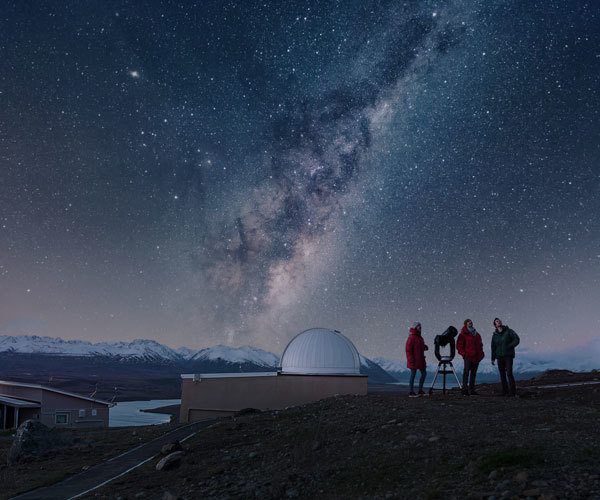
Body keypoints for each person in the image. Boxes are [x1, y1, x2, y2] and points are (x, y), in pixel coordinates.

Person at [491, 317, 520, 396]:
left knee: (509, 373)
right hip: (499, 357)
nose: (499, 322)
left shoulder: (509, 331)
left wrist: (510, 346)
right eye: (497, 321)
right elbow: (493, 347)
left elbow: (517, 339)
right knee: (502, 374)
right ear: (495, 325)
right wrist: (493, 358)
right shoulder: (495, 335)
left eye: (499, 320)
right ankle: (505, 391)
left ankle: (513, 392)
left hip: (508, 356)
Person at [457, 319, 484, 395]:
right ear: (465, 324)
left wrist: (481, 354)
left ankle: (472, 390)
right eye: (468, 322)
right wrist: (464, 354)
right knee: (466, 373)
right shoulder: (463, 334)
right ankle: (464, 390)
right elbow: (459, 346)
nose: (470, 323)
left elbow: (480, 345)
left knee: (473, 373)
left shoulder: (477, 334)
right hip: (468, 356)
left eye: (471, 322)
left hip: (476, 357)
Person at [405, 322, 428, 397]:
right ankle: (411, 392)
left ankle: (420, 390)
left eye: (420, 327)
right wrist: (411, 360)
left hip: (420, 360)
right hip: (414, 360)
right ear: (415, 327)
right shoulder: (411, 337)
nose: (420, 328)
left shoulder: (420, 337)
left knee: (424, 374)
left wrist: (424, 347)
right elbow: (408, 350)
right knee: (413, 375)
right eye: (419, 327)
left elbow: (418, 347)